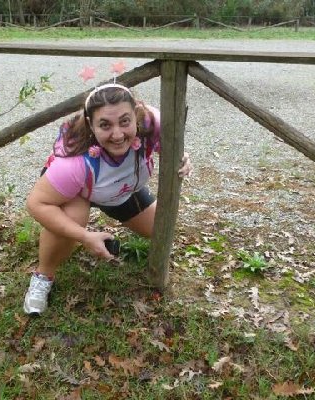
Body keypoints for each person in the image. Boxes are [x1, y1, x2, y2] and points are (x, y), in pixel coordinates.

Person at [23, 83, 192, 315]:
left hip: (121, 190)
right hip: (76, 192)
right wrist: (84, 236)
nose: (118, 134)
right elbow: (37, 203)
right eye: (105, 125)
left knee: (159, 227)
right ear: (91, 125)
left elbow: (172, 148)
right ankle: (43, 275)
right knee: (72, 220)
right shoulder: (73, 164)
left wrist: (182, 158)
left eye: (125, 121)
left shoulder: (154, 124)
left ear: (136, 115)